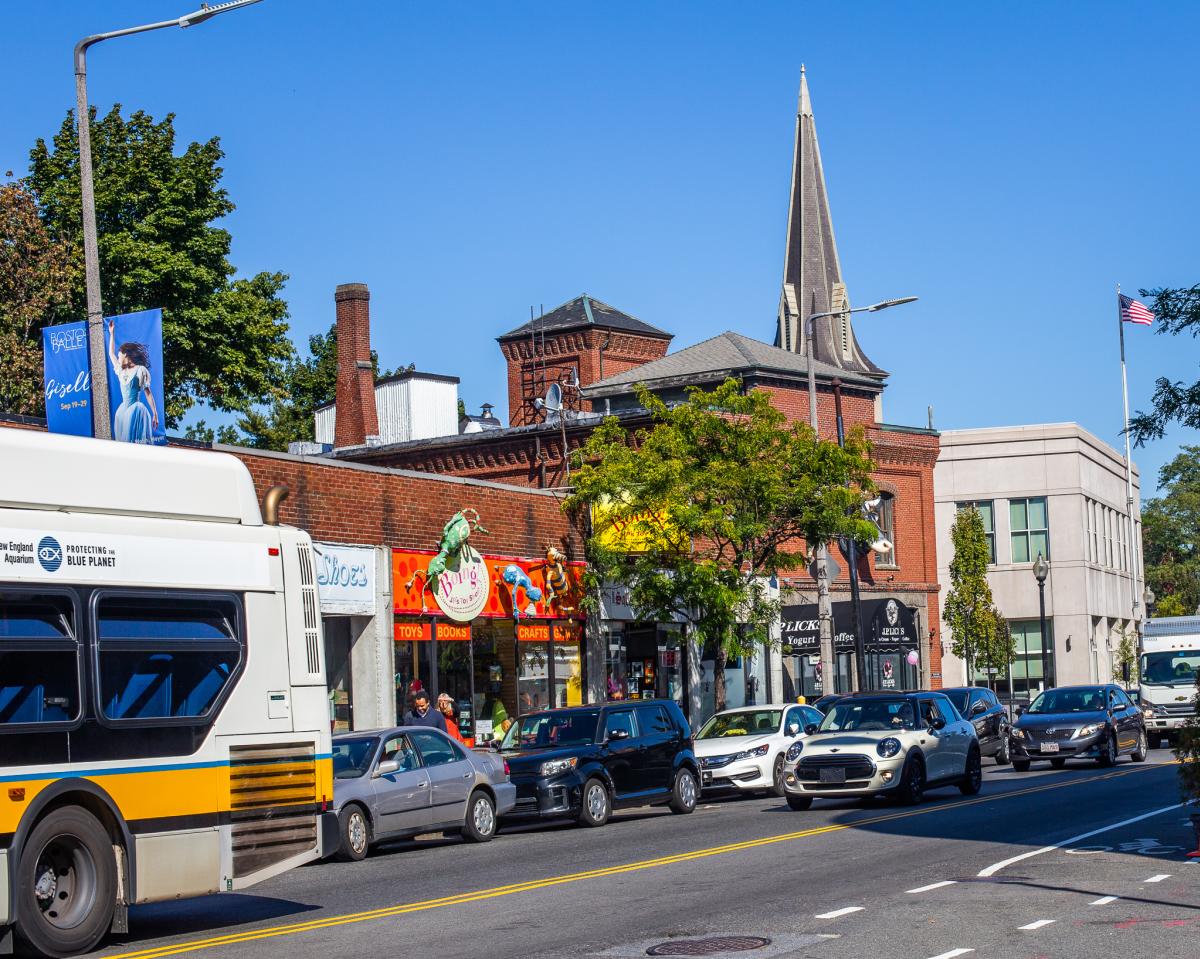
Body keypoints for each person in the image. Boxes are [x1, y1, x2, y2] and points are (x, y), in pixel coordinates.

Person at [106, 319, 159, 444]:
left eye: (120, 356)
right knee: (123, 440)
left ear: (126, 355)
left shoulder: (140, 370)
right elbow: (111, 354)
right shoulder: (121, 371)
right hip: (123, 410)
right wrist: (111, 334)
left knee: (133, 439)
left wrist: (155, 414)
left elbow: (148, 393)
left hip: (135, 409)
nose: (118, 359)